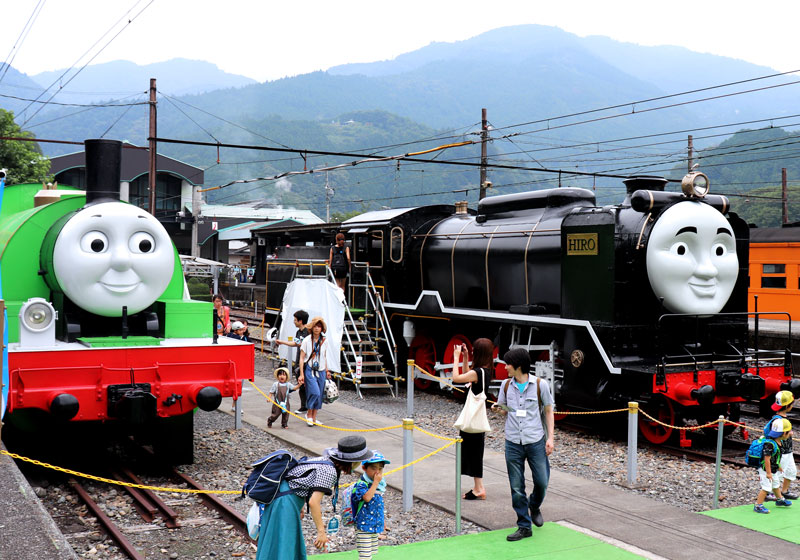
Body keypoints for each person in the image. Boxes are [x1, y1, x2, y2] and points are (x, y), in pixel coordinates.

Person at [255, 435, 374, 560]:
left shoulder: (327, 460)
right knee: (284, 542)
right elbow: (314, 502)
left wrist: (299, 506)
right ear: (353, 461)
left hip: (285, 497)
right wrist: (321, 532)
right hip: (285, 502)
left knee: (279, 541)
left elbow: (300, 480)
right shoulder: (330, 471)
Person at [492, 347, 554, 541]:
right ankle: (524, 526)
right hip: (513, 441)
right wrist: (498, 409)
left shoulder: (540, 385)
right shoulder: (505, 385)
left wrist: (550, 438)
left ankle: (534, 505)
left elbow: (549, 411)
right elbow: (505, 410)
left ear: (518, 366)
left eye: (508, 363)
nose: (505, 367)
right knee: (516, 486)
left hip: (535, 440)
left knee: (542, 482)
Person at [453, 338, 494, 500]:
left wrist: (455, 357)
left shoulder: (477, 373)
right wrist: (464, 358)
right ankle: (478, 487)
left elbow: (457, 378)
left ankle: (480, 488)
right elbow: (467, 376)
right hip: (476, 419)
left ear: (477, 353)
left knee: (474, 453)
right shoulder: (484, 371)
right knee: (475, 452)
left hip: (472, 419)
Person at [351, 451, 390, 560]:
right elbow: (367, 497)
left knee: (370, 553)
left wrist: (382, 522)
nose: (377, 472)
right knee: (365, 556)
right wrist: (375, 483)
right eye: (373, 468)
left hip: (373, 524)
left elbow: (379, 505)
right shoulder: (362, 484)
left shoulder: (378, 486)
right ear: (364, 468)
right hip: (363, 526)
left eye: (380, 469)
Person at [753, 417, 793, 513]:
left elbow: (776, 457)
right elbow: (767, 459)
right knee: (766, 488)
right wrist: (768, 473)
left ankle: (780, 499)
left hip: (773, 469)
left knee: (775, 484)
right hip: (766, 470)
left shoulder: (779, 442)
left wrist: (778, 466)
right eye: (789, 431)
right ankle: (758, 505)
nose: (791, 433)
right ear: (783, 433)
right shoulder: (770, 444)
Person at [765, 391, 798, 501]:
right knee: (778, 472)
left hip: (788, 451)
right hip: (781, 452)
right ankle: (770, 492)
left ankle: (784, 491)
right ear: (788, 406)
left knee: (791, 471)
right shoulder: (777, 420)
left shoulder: (782, 418)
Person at [275, 310, 310, 414]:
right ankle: (304, 406)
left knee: (307, 385)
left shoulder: (308, 331)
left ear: (300, 321)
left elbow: (303, 344)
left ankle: (309, 406)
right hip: (300, 361)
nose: (294, 322)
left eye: (295, 320)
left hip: (307, 362)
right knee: (301, 385)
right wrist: (282, 342)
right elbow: (296, 343)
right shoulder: (299, 332)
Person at [299, 316, 328, 426]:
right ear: (312, 327)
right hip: (310, 369)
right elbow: (302, 358)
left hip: (321, 370)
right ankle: (309, 414)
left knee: (319, 394)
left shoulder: (325, 341)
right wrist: (301, 374)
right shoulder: (307, 340)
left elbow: (324, 356)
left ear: (322, 328)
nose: (317, 328)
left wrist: (327, 370)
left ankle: (314, 417)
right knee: (314, 392)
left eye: (319, 326)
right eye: (315, 326)